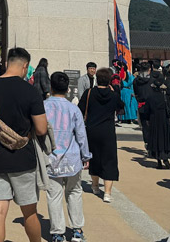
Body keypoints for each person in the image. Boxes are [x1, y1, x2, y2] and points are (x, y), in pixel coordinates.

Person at [0, 46, 48, 242]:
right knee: (29, 212)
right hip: (24, 158)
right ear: (25, 66)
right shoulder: (30, 91)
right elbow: (41, 129)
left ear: (7, 64)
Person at [44, 71, 90, 242]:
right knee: (75, 192)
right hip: (72, 158)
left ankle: (57, 232)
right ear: (67, 89)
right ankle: (77, 230)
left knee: (54, 195)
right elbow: (81, 135)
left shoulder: (43, 106)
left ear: (51, 86)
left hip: (51, 159)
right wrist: (86, 156)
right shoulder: (73, 109)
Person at [78, 66, 121, 201]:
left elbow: (80, 108)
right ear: (109, 80)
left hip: (92, 130)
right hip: (107, 130)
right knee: (109, 159)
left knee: (94, 157)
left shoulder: (89, 93)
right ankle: (107, 193)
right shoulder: (113, 95)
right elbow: (121, 108)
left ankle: (95, 186)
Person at [140, 70, 170, 169]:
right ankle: (166, 158)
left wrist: (147, 119)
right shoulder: (164, 97)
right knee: (164, 138)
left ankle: (159, 161)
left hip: (154, 119)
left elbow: (147, 110)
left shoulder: (150, 97)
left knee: (156, 139)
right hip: (164, 119)